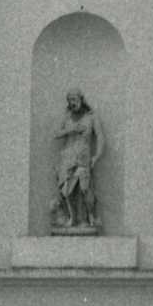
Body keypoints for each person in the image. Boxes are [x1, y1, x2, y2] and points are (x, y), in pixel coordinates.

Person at [52, 88, 105, 232]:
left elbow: (100, 137)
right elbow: (56, 134)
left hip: (83, 158)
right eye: (70, 101)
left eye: (75, 100)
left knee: (84, 187)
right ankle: (72, 218)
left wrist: (97, 156)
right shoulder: (66, 117)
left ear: (81, 100)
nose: (72, 103)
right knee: (67, 190)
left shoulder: (91, 117)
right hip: (67, 157)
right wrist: (71, 129)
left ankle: (89, 217)